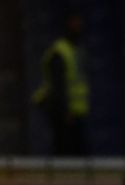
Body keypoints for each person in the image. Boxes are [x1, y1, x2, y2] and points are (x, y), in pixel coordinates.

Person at [32, 11, 89, 155]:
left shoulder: (77, 49)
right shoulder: (60, 51)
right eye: (74, 23)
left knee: (78, 153)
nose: (78, 27)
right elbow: (58, 85)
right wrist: (65, 110)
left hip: (78, 110)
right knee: (64, 151)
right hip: (63, 111)